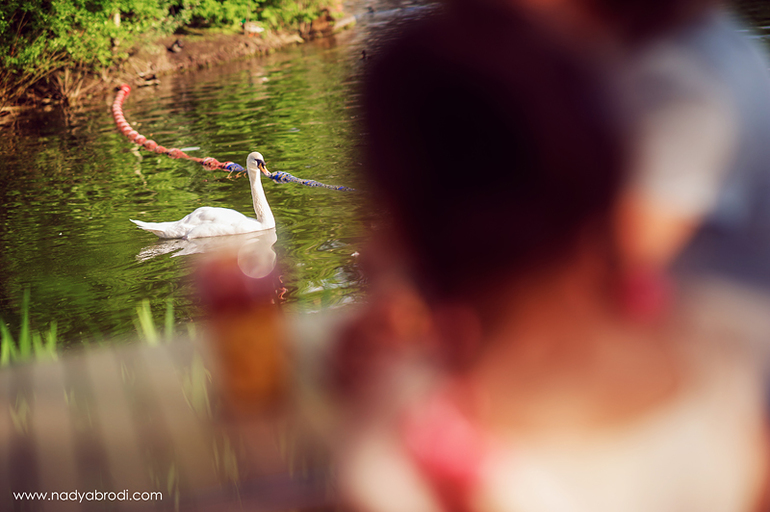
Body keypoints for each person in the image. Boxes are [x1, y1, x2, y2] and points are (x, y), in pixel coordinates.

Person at [331, 3, 770, 512]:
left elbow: (616, 253)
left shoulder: (405, 439)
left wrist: (404, 330)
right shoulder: (728, 366)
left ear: (397, 218)